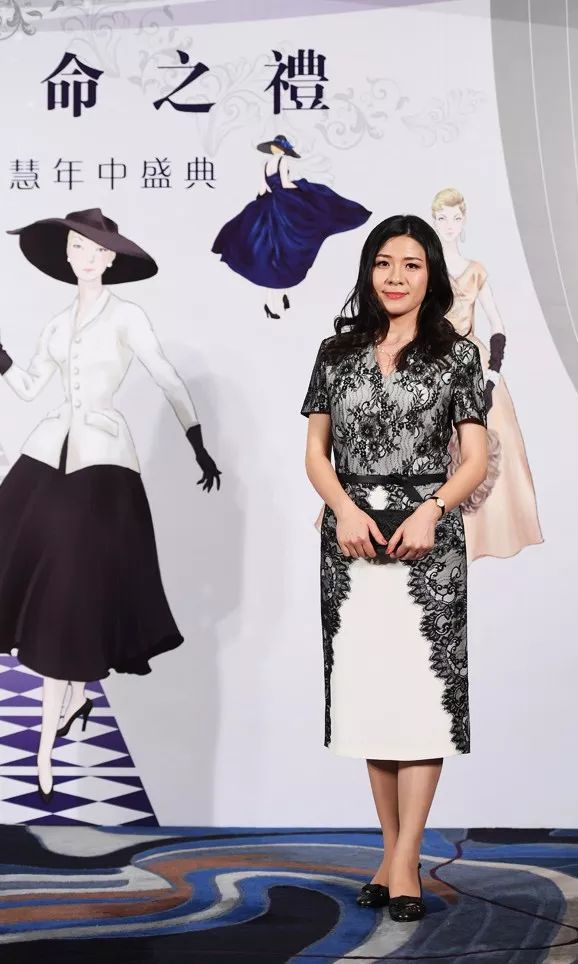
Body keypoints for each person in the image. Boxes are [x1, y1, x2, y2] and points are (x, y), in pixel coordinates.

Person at [0, 208, 221, 803]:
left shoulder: (127, 316)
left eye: (96, 249)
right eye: (77, 247)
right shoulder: (55, 323)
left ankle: (49, 739)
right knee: (37, 570)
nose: (86, 257)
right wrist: (1, 357)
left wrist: (197, 442)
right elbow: (29, 387)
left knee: (72, 587)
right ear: (67, 254)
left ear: (111, 259)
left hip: (103, 461)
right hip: (49, 453)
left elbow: (166, 376)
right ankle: (69, 701)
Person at [302, 214, 488, 922]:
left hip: (426, 545)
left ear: (431, 274)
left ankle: (404, 860)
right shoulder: (335, 351)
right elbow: (315, 453)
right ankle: (392, 854)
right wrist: (343, 510)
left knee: (421, 705)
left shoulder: (457, 356)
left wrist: (432, 510)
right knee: (370, 704)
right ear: (368, 271)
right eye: (384, 263)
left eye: (411, 264)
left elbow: (474, 459)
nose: (396, 277)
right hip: (349, 544)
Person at [431, 187, 543, 561]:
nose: (449, 225)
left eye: (455, 218)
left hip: (471, 360)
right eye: (442, 218)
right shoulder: (426, 267)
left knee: (484, 444)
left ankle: (475, 537)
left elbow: (498, 325)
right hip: (431, 357)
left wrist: (492, 375)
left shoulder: (475, 270)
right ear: (434, 221)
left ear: (464, 221)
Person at [212, 134, 370, 319]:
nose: (276, 150)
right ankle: (276, 301)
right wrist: (304, 190)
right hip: (283, 204)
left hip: (270, 203)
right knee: (285, 250)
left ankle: (276, 300)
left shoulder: (266, 164)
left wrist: (260, 206)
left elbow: (263, 189)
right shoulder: (282, 162)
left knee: (272, 254)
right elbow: (285, 184)